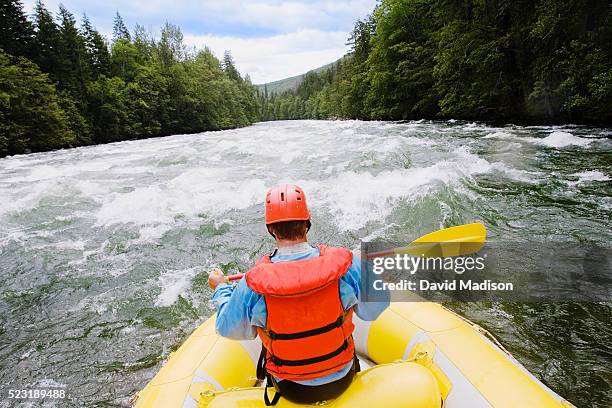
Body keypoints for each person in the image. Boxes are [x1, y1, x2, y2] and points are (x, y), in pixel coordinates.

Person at [208, 184, 389, 405]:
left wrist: (221, 288)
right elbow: (376, 308)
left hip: (291, 388)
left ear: (270, 228)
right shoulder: (347, 265)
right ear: (307, 222)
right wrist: (362, 266)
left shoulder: (253, 283)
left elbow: (228, 328)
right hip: (343, 377)